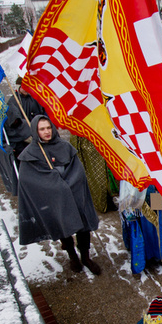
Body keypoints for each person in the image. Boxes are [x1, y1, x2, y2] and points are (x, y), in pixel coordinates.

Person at [17, 115, 102, 275]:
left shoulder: (64, 146)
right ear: (36, 131)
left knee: (83, 226)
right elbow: (28, 180)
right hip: (54, 198)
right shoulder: (30, 154)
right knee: (63, 226)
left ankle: (85, 257)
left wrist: (68, 183)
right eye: (42, 129)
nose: (47, 132)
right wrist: (53, 182)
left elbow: (78, 170)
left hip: (74, 193)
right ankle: (72, 256)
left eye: (49, 128)